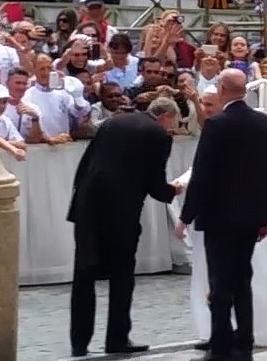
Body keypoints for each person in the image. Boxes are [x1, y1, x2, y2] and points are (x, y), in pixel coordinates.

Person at [67, 96, 185, 358]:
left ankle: (79, 342)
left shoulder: (112, 122)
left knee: (83, 275)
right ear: (166, 116)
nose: (171, 129)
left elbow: (85, 164)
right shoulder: (158, 135)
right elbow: (155, 184)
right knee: (122, 276)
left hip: (88, 206)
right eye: (173, 124)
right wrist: (172, 191)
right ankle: (117, 338)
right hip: (120, 213)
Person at [176, 69, 267, 360]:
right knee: (243, 279)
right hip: (249, 217)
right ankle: (245, 340)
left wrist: (186, 215)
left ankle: (220, 344)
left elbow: (203, 175)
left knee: (220, 284)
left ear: (221, 89)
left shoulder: (217, 126)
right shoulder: (262, 122)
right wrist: (263, 216)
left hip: (219, 218)